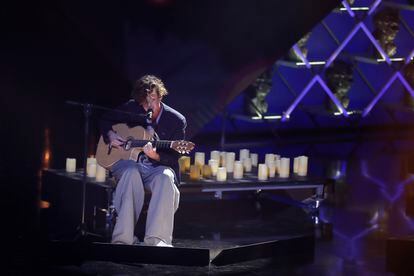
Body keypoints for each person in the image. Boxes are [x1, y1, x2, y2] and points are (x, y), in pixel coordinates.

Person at [99, 75, 186, 246]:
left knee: (165, 178)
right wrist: (110, 134)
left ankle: (157, 240)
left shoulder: (176, 120)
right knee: (130, 173)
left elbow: (174, 157)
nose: (148, 105)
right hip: (127, 162)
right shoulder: (132, 108)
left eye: (152, 99)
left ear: (160, 96)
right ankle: (123, 240)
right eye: (144, 102)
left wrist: (156, 156)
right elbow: (105, 119)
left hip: (156, 166)